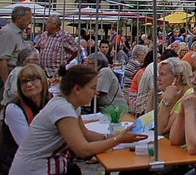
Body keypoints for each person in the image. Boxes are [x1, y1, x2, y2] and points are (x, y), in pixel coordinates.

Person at [9, 65, 146, 174]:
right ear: (77, 89)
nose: (95, 92)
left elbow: (86, 134)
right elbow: (83, 150)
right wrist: (118, 140)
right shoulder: (62, 109)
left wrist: (116, 136)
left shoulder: (70, 105)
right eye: (92, 88)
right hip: (35, 169)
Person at [0, 64, 50, 171]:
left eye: (33, 79)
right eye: (23, 81)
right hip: (15, 163)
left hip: (41, 159)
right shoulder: (14, 108)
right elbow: (27, 145)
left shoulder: (50, 102)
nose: (28, 84)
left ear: (43, 81)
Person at [141, 57, 192, 135]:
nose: (158, 78)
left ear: (177, 78)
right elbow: (148, 121)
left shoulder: (188, 96)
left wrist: (167, 101)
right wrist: (152, 94)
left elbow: (160, 130)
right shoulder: (171, 93)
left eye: (162, 74)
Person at [35, 14, 80, 79]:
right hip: (43, 73)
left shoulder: (65, 36)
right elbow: (36, 47)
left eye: (48, 22)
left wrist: (67, 61)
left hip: (56, 73)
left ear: (55, 25)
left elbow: (77, 50)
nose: (46, 24)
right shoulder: (44, 35)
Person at [0, 6, 32, 88]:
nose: (30, 21)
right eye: (28, 18)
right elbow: (2, 60)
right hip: (8, 75)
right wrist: (6, 84)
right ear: (19, 18)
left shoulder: (18, 32)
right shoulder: (8, 32)